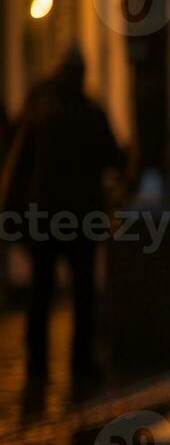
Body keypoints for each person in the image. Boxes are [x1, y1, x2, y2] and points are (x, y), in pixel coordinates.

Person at [0, 50, 125, 387]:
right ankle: (80, 361)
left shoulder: (40, 112)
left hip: (45, 218)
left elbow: (20, 166)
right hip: (82, 218)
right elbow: (114, 158)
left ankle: (37, 363)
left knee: (41, 290)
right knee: (83, 290)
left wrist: (12, 213)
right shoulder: (90, 112)